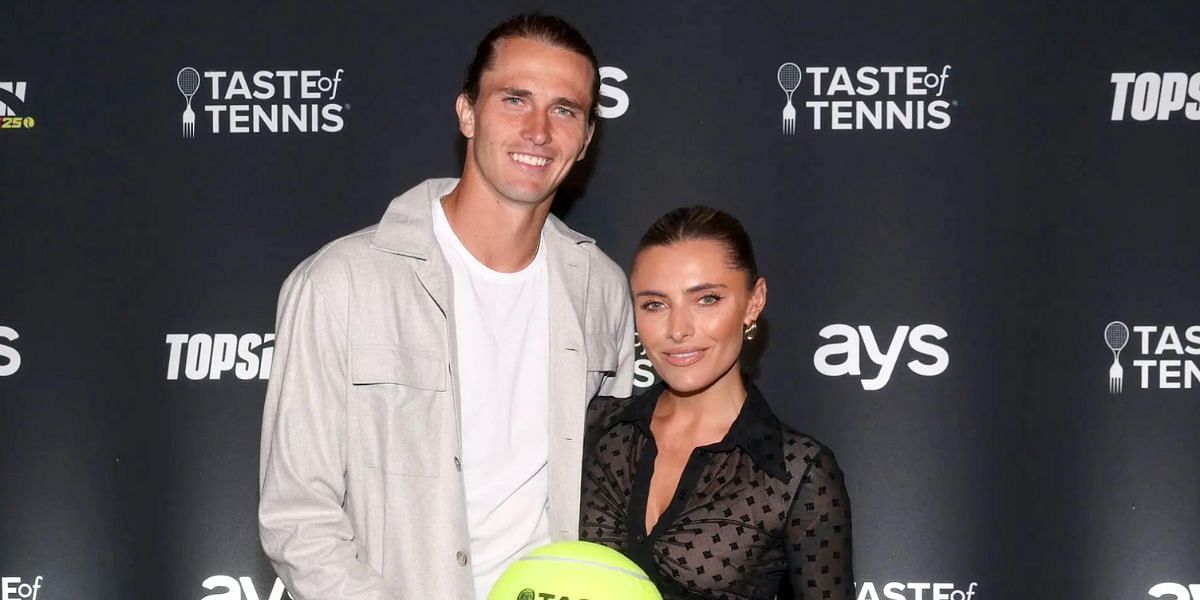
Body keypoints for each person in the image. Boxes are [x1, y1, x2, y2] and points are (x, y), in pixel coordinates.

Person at [258, 14, 634, 600]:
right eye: (515, 99)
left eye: (564, 109)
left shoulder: (604, 291)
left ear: (585, 139)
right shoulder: (341, 282)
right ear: (467, 113)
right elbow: (297, 517)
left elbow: (613, 493)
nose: (538, 130)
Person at [580, 207, 853, 599]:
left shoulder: (796, 472)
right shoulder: (598, 429)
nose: (678, 329)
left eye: (707, 299)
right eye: (655, 304)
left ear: (753, 302)